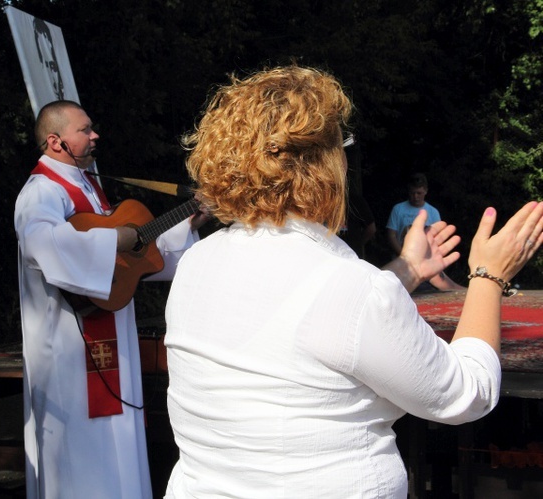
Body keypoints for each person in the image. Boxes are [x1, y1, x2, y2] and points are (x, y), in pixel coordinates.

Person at [163, 65, 543, 498]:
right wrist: (488, 277)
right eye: (342, 146)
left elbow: (315, 316)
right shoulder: (348, 288)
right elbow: (465, 394)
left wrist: (409, 269)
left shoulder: (197, 262)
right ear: (323, 163)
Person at [14, 100, 209, 499]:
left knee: (117, 444)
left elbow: (136, 255)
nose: (94, 135)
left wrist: (187, 222)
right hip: (69, 349)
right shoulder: (40, 192)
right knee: (78, 455)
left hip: (111, 340)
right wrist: (114, 239)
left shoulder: (88, 185)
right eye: (84, 129)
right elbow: (43, 245)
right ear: (56, 141)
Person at [386, 172, 465, 290]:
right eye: (413, 193)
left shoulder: (433, 212)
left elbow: (438, 238)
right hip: (401, 261)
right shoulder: (398, 209)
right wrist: (405, 255)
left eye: (419, 193)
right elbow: (391, 235)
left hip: (427, 262)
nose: (416, 196)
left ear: (425, 191)